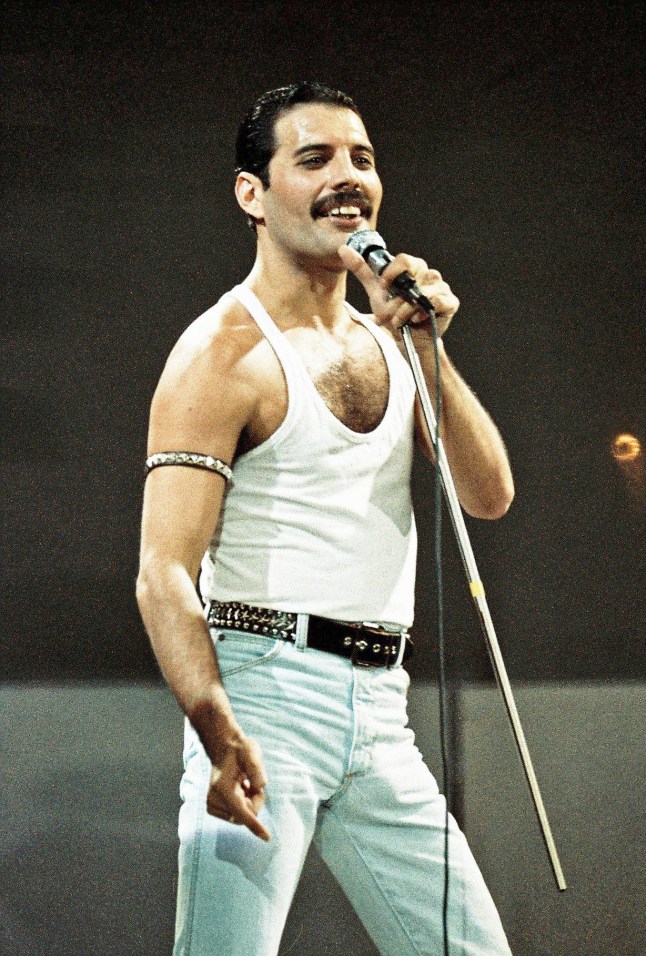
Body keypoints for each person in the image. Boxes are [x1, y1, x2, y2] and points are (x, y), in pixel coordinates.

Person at [137, 82, 515, 956]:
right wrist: (216, 726)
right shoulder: (220, 354)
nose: (348, 177)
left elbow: (487, 495)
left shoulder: (391, 337)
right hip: (265, 695)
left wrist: (429, 346)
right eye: (314, 159)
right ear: (252, 195)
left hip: (383, 712)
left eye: (362, 158)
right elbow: (163, 571)